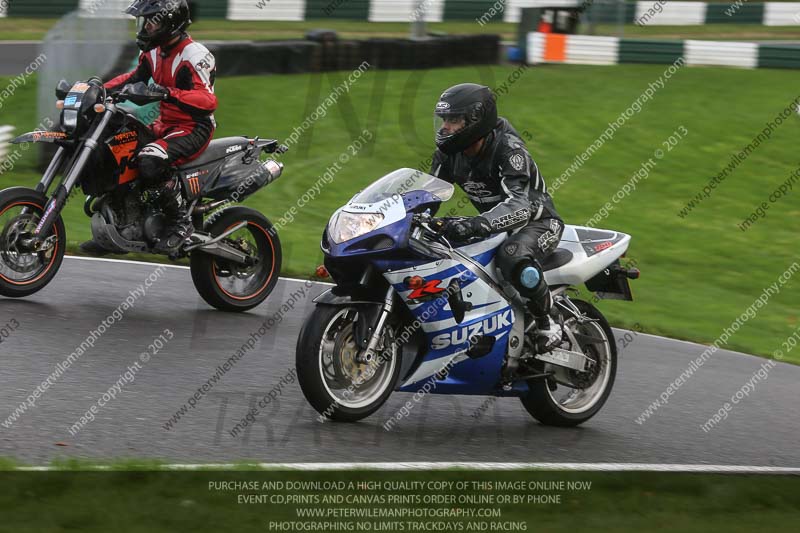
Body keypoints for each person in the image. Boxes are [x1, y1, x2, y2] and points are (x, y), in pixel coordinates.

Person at [430, 83, 564, 349]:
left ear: (475, 121)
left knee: (511, 255)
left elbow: (520, 206)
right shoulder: (448, 154)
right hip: (496, 226)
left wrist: (476, 224)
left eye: (453, 120)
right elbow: (428, 193)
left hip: (539, 223)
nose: (445, 127)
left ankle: (548, 321)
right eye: (444, 119)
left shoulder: (509, 150)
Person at [81, 0, 217, 254]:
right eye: (144, 22)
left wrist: (167, 93)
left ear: (170, 23)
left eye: (152, 22)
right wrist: (97, 90)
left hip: (193, 127)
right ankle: (123, 226)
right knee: (119, 146)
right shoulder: (154, 51)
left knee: (150, 159)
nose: (145, 28)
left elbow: (208, 100)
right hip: (163, 125)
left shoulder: (195, 55)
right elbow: (133, 78)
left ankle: (181, 223)